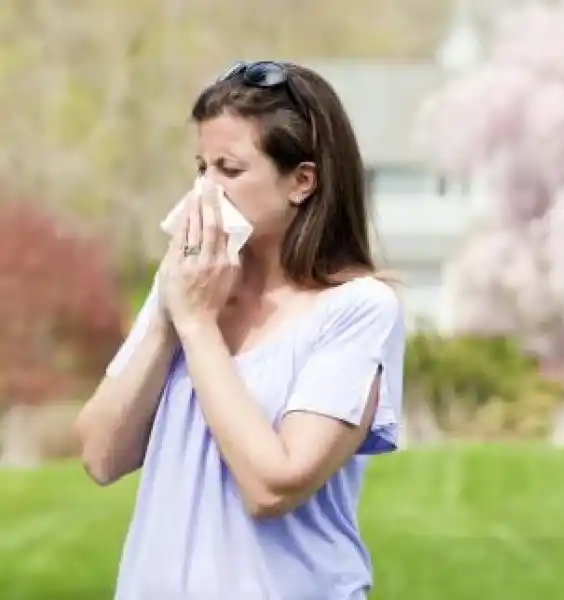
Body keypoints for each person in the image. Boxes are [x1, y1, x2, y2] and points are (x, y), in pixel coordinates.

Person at [73, 60, 405, 600]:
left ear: (301, 181)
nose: (206, 192)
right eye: (200, 168)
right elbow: (101, 456)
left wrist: (198, 325)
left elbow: (272, 486)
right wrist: (169, 317)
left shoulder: (358, 310)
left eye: (230, 169)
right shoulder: (184, 286)